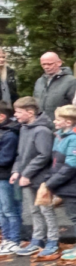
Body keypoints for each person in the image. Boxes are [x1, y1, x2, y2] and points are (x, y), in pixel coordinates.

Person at [44, 105, 76, 261]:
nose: (54, 121)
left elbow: (72, 166)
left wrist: (51, 182)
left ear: (68, 121)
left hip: (73, 182)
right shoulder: (61, 136)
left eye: (58, 119)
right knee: (72, 215)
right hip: (65, 182)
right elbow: (57, 163)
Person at [10, 96, 56, 258]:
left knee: (46, 210)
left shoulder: (42, 130)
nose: (16, 115)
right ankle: (38, 239)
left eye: (18, 112)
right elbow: (21, 154)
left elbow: (44, 155)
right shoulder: (24, 128)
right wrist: (16, 171)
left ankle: (52, 240)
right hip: (26, 177)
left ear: (30, 112)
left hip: (41, 177)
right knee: (34, 210)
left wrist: (27, 173)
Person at [33, 52, 76, 118]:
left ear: (59, 63)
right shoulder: (39, 81)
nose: (46, 67)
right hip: (41, 122)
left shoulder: (71, 81)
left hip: (61, 123)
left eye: (49, 64)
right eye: (43, 64)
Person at [0, 102, 20, 255]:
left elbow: (5, 158)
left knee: (9, 209)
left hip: (5, 176)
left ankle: (14, 239)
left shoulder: (9, 134)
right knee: (2, 210)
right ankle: (6, 238)